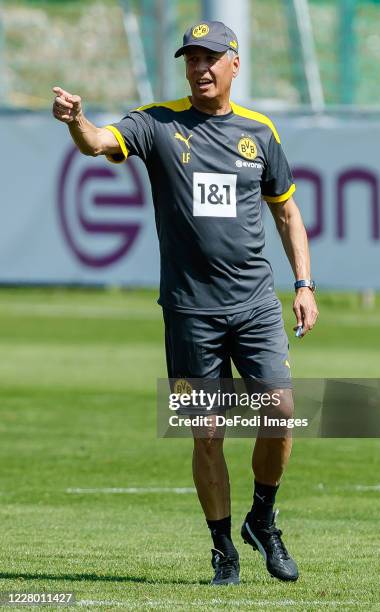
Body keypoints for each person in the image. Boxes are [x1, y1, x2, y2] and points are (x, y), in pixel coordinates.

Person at [52, 20, 318, 586]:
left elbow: (287, 212)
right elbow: (100, 143)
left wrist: (304, 284)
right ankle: (224, 550)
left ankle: (263, 520)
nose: (200, 68)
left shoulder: (260, 133)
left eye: (210, 58)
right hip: (189, 311)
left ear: (234, 64)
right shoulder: (157, 123)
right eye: (191, 59)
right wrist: (78, 121)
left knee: (280, 412)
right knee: (208, 434)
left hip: (254, 305)